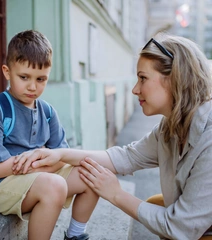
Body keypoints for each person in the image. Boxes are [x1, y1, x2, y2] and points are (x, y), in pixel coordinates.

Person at [13, 34, 212, 240]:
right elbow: (125, 157)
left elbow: (181, 228)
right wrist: (59, 154)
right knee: (154, 204)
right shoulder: (169, 127)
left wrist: (116, 194)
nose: (135, 89)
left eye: (142, 78)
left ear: (175, 79)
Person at [0, 30, 99, 240]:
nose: (33, 86)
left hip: (36, 178)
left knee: (92, 172)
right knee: (55, 185)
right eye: (24, 77)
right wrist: (41, 160)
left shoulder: (47, 112)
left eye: (41, 79)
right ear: (7, 71)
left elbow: (62, 154)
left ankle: (75, 235)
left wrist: (44, 161)